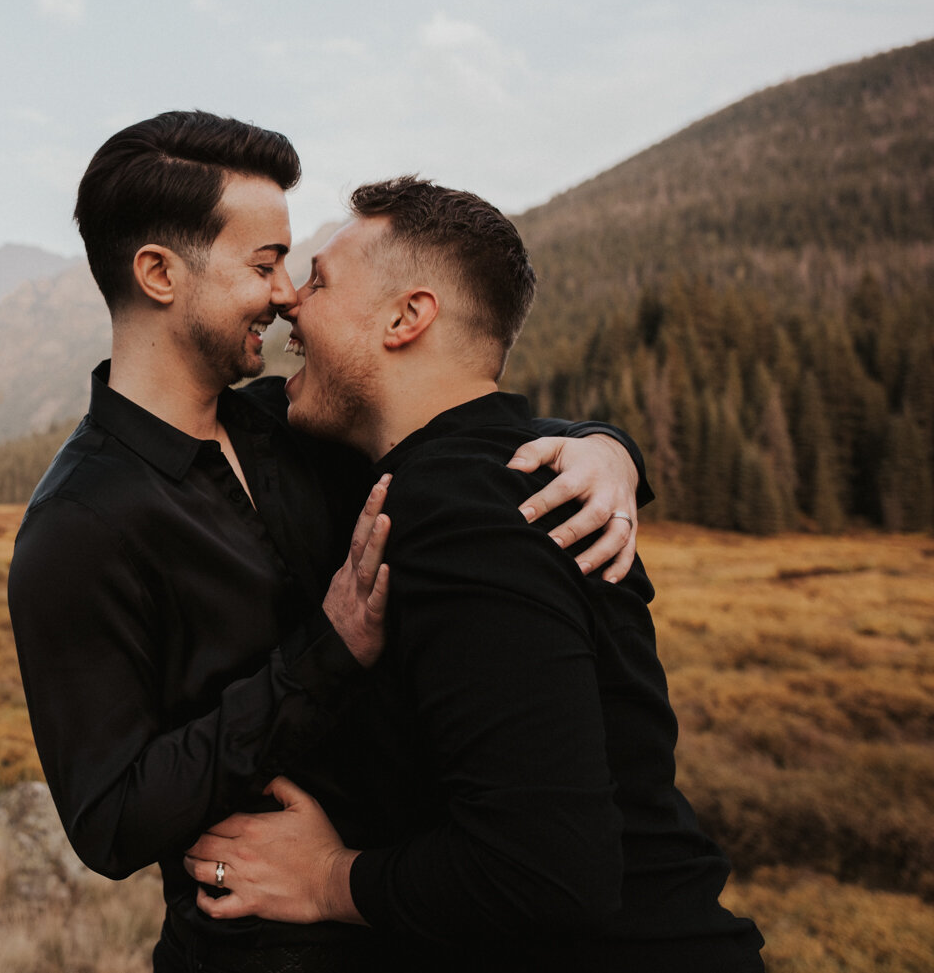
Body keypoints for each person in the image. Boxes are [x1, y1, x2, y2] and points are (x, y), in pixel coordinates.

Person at [7, 112, 650, 972]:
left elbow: (442, 410)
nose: (286, 295)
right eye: (265, 264)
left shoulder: (299, 424)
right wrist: (324, 654)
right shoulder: (75, 525)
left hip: (426, 927)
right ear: (159, 274)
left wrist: (606, 447)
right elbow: (110, 819)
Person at [180, 177, 764, 970]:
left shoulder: (461, 513)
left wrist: (326, 879)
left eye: (320, 280)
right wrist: (608, 442)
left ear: (406, 317)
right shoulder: (509, 471)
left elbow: (545, 874)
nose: (292, 302)